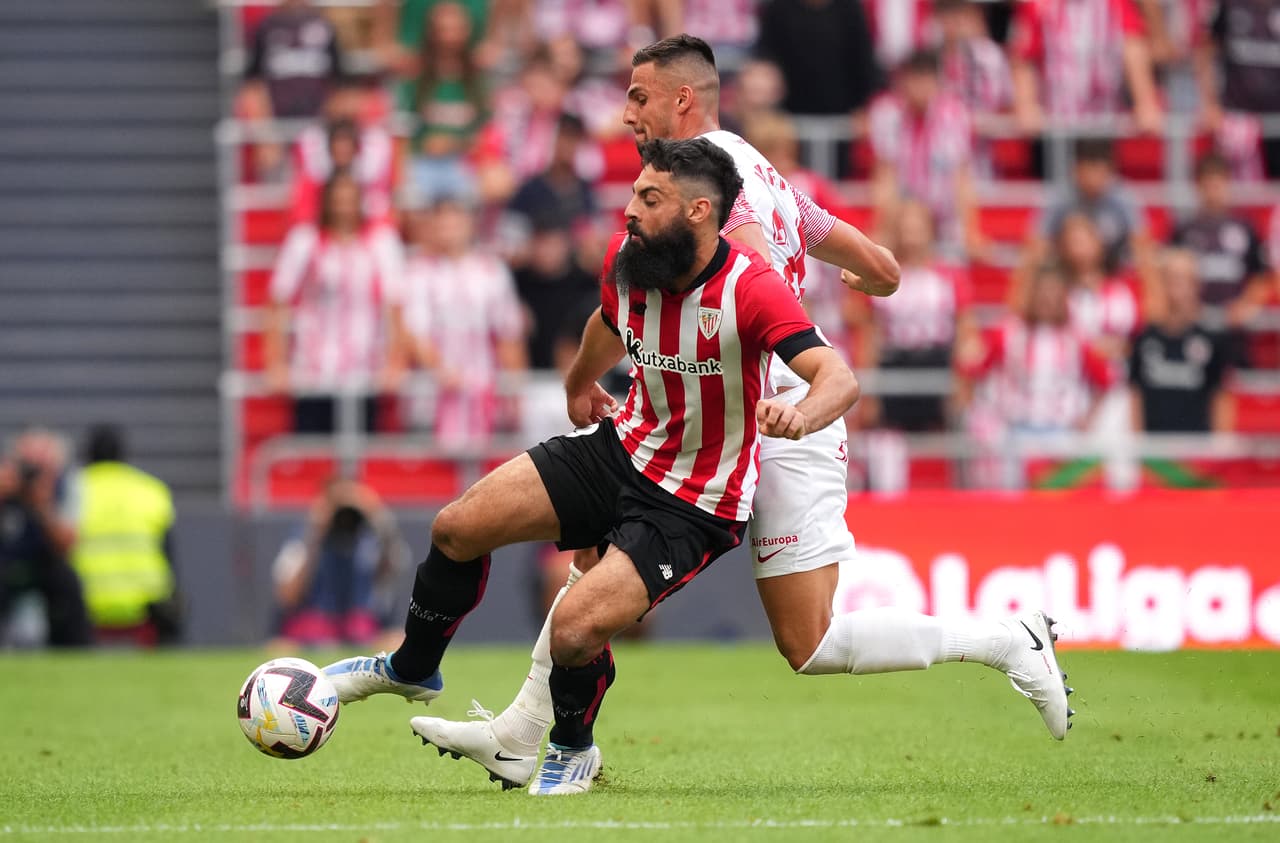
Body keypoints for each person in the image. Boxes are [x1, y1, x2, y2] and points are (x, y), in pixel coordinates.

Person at [402, 35, 1072, 792]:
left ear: (683, 100)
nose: (627, 115)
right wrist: (873, 276)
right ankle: (525, 735)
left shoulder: (722, 200)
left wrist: (783, 343)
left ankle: (1005, 640)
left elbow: (745, 274)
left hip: (779, 415)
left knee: (808, 641)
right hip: (713, 415)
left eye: (639, 97)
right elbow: (872, 259)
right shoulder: (750, 167)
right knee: (598, 556)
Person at [324, 138, 862, 795]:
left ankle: (573, 748)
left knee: (577, 626)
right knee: (457, 527)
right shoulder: (626, 257)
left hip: (694, 501)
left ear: (698, 211)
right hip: (620, 449)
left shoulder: (751, 288)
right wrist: (580, 379)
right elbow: (608, 318)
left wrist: (804, 412)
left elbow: (837, 376)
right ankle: (412, 666)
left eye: (648, 197)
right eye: (634, 192)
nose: (629, 209)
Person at [265, 172, 408, 434]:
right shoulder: (305, 241)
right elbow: (279, 299)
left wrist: (395, 361)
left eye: (350, 199)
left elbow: (394, 302)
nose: (344, 207)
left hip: (365, 368)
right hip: (313, 367)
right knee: (313, 450)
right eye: (338, 199)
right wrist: (276, 361)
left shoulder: (380, 243)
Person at [401, 197, 527, 448]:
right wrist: (440, 368)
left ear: (469, 225)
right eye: (442, 224)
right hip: (433, 394)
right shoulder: (418, 271)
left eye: (455, 222)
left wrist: (514, 389)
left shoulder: (491, 270)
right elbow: (415, 332)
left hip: (484, 391)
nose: (449, 230)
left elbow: (508, 333)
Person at [867, 48, 982, 258]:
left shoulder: (954, 115)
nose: (920, 88)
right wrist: (883, 226)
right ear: (903, 82)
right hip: (902, 218)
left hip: (945, 216)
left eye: (926, 80)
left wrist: (970, 230)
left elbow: (961, 177)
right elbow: (885, 176)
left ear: (937, 82)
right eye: (915, 80)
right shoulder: (887, 114)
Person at [71, 426, 180, 645]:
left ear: (87, 454)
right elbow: (168, 553)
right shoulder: (152, 489)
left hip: (87, 604)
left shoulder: (72, 489)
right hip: (147, 606)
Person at [274, 478, 405, 646]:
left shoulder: (370, 540)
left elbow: (389, 576)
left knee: (396, 642)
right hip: (313, 626)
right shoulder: (302, 539)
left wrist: (377, 517)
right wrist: (316, 534)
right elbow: (288, 597)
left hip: (360, 626)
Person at [0, 428, 91, 647]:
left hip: (45, 565)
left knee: (68, 582)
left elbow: (67, 544)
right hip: (6, 564)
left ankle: (75, 652)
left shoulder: (67, 486)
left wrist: (42, 505)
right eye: (26, 464)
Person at [239, 0, 347, 180]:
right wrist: (265, 136)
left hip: (318, 131)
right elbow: (252, 86)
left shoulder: (324, 26)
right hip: (277, 133)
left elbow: (340, 86)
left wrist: (327, 132)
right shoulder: (267, 27)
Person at [1130, 249, 1234, 433]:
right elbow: (1136, 396)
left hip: (1197, 448)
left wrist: (1220, 446)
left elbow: (1221, 397)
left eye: (1182, 278)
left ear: (1196, 284)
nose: (1175, 285)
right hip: (1153, 450)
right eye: (1169, 278)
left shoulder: (1212, 339)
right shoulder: (1144, 339)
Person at [1169, 152, 1272, 333]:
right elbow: (1169, 274)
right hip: (1194, 323)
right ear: (1198, 187)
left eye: (1217, 185)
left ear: (1227, 184)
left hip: (1234, 325)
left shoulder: (1245, 227)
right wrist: (1186, 305)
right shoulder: (1185, 230)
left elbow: (1262, 274)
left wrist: (1246, 304)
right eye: (1207, 186)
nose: (1212, 192)